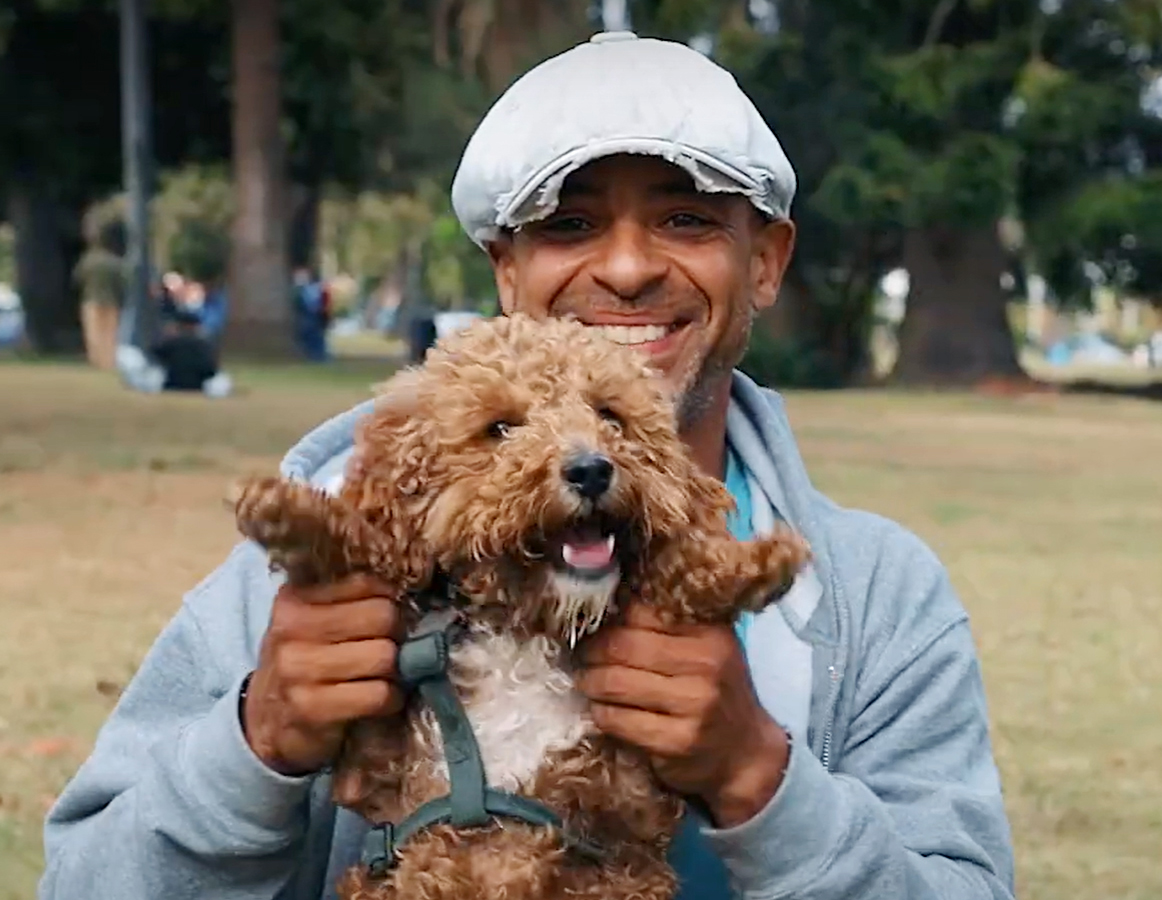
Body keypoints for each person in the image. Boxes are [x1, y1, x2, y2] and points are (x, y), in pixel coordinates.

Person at [40, 32, 1015, 900]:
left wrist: (759, 774)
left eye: (684, 219)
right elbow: (82, 880)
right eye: (569, 225)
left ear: (764, 259)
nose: (627, 269)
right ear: (506, 272)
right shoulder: (315, 570)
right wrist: (255, 745)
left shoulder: (877, 601)